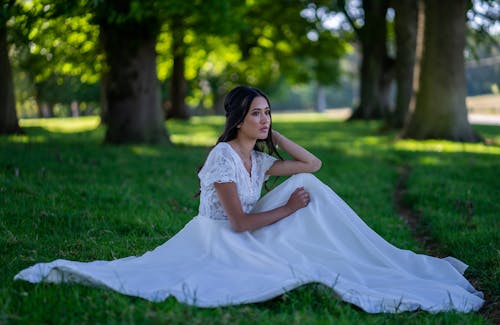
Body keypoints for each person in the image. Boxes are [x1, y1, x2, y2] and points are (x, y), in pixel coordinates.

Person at [15, 86, 484, 313]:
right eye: (257, 113)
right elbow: (237, 223)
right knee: (301, 205)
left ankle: (367, 254)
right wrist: (288, 210)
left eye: (267, 112)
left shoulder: (258, 160)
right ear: (238, 118)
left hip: (246, 229)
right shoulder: (222, 157)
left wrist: (275, 134)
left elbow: (313, 166)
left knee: (314, 189)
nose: (263, 119)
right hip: (217, 239)